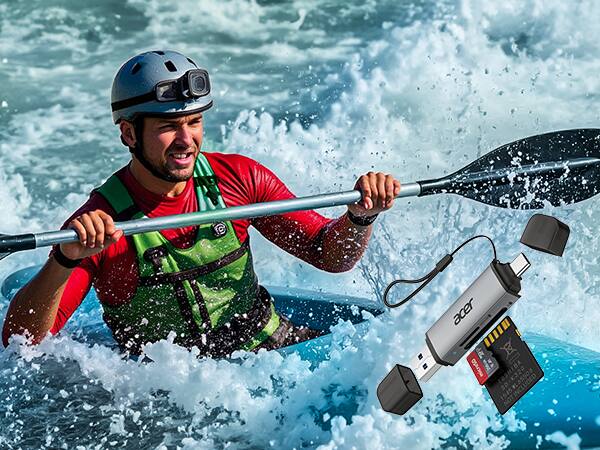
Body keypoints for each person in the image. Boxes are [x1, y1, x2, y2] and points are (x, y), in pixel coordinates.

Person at [2, 50, 401, 357]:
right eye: (168, 127)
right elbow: (22, 344)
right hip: (172, 394)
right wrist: (64, 259)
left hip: (272, 349)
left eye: (194, 122)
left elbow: (330, 256)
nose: (186, 139)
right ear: (128, 134)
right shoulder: (99, 226)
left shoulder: (239, 178)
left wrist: (360, 216)